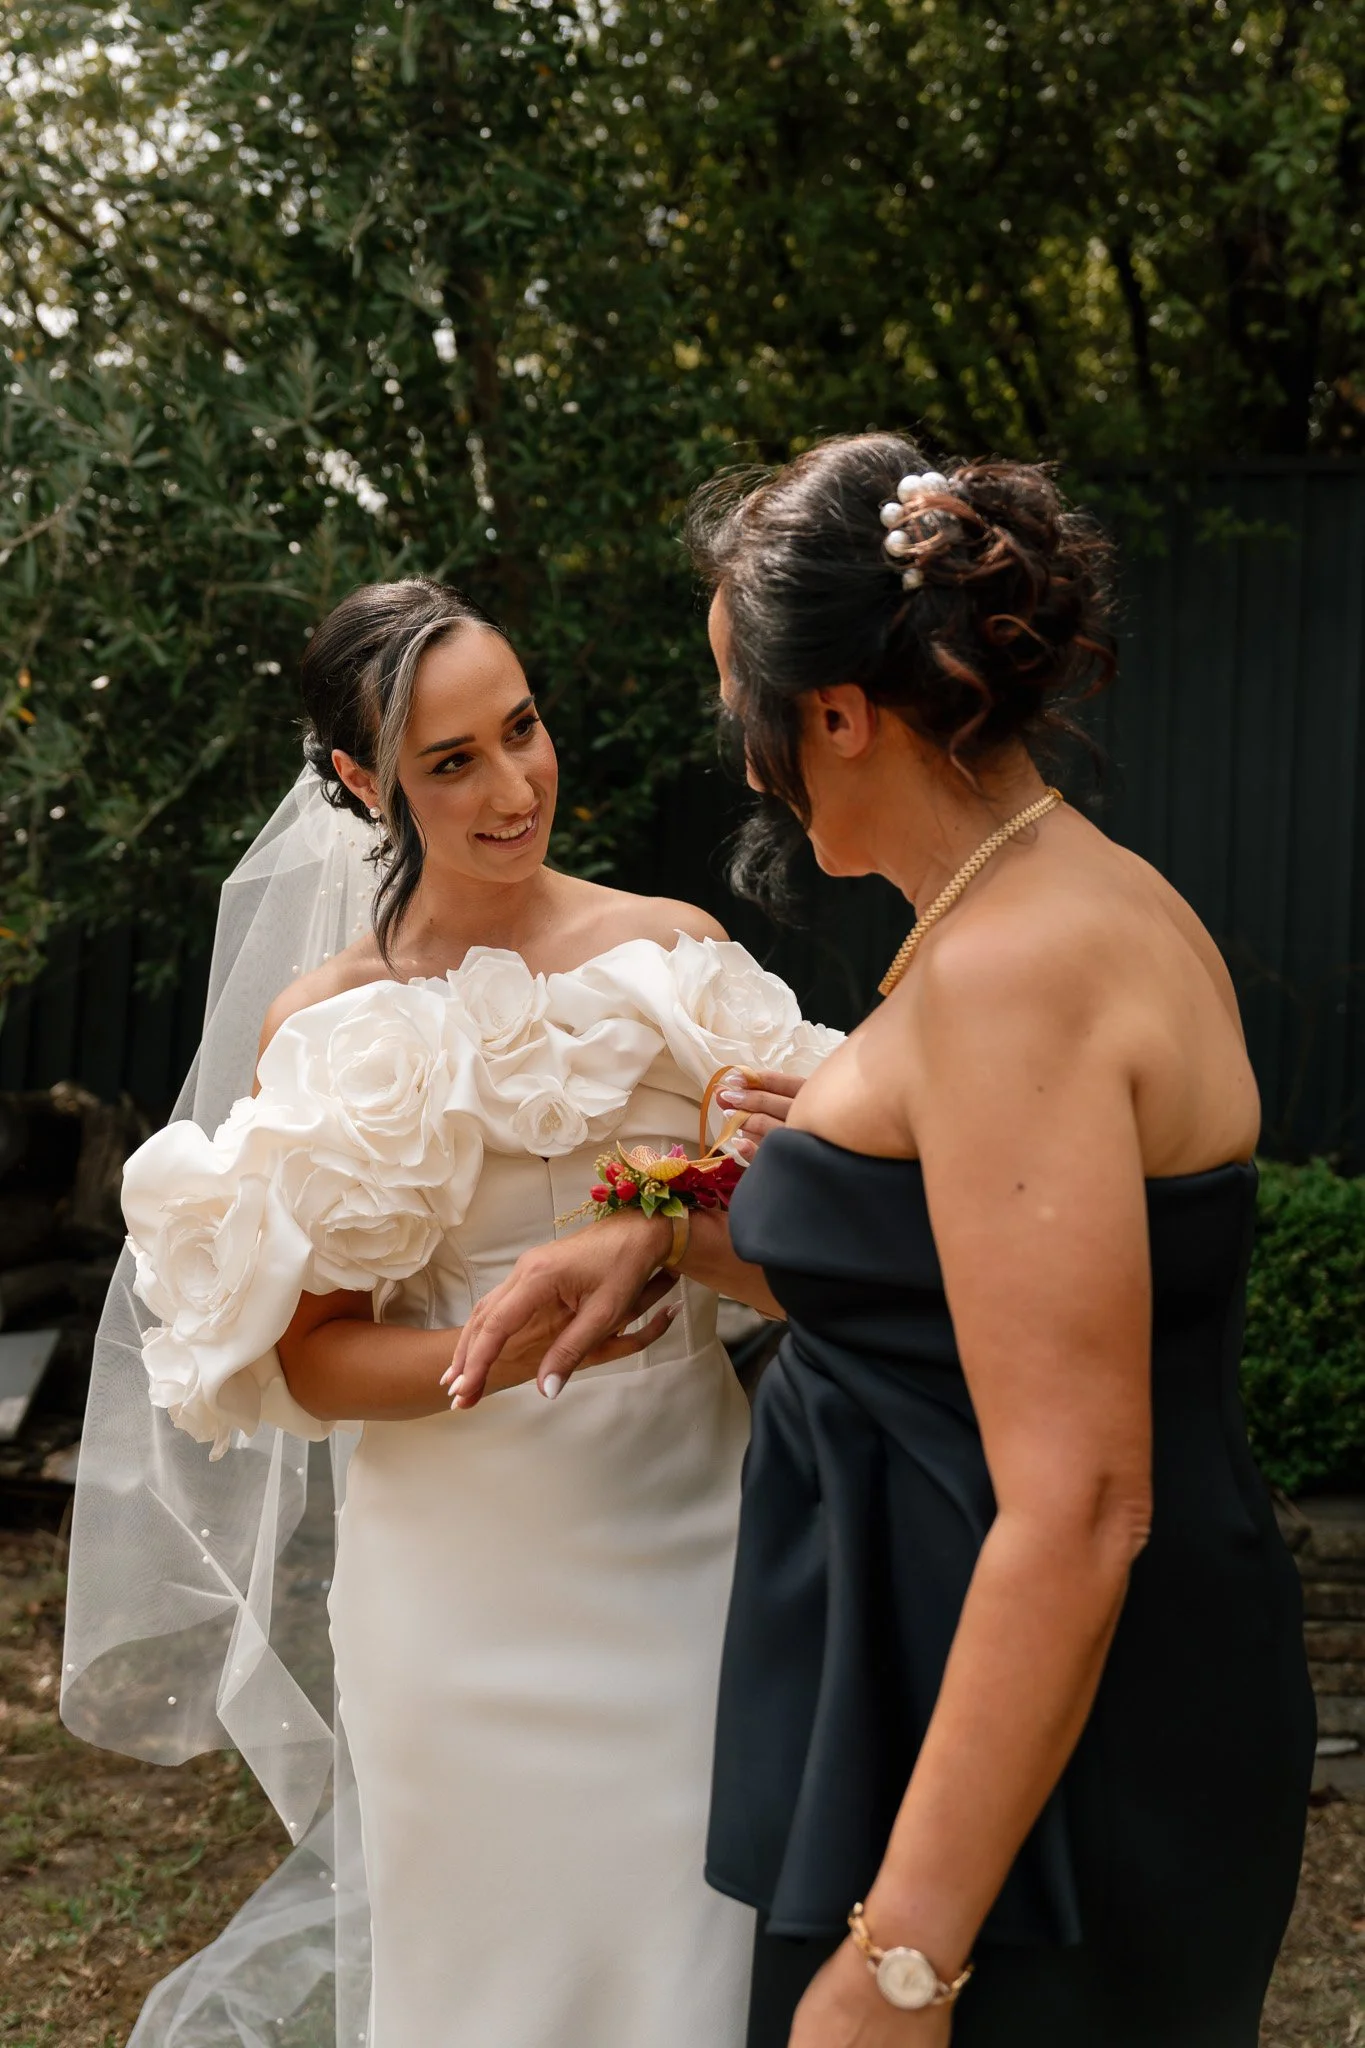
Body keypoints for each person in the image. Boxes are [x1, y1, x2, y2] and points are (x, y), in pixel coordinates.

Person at [449, 441, 1317, 2048]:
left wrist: (906, 1959)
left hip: (1046, 1752)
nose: (749, 756)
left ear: (838, 714)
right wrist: (647, 1219)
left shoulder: (1014, 974)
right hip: (951, 1686)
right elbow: (925, 1299)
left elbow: (1078, 1505)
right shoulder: (1026, 907)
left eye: (745, 708)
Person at [61, 577, 840, 2048]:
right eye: (452, 761)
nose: (513, 785)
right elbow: (304, 1357)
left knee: (691, 1969)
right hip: (457, 1599)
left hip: (693, 1555)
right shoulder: (336, 1027)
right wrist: (497, 1355)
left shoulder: (670, 959)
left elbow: (811, 1260)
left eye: (523, 729)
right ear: (364, 783)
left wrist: (674, 1235)